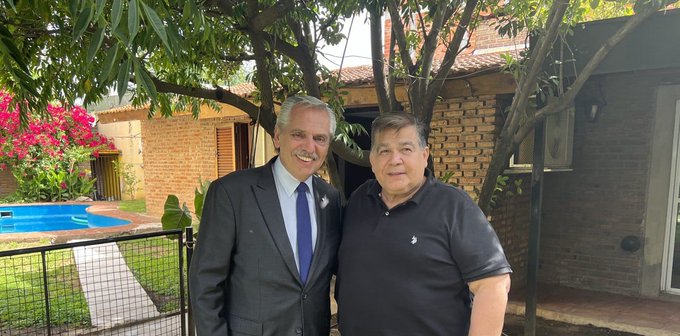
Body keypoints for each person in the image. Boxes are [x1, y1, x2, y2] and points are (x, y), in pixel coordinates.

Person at [336, 112, 512, 336]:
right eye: (384, 151)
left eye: (405, 149)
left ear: (424, 155)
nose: (394, 159)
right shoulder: (360, 200)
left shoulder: (453, 206)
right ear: (372, 160)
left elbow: (493, 285)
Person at [189, 95, 342, 336]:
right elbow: (205, 284)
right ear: (278, 136)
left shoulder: (330, 199)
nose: (309, 147)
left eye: (319, 138)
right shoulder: (232, 193)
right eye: (298, 134)